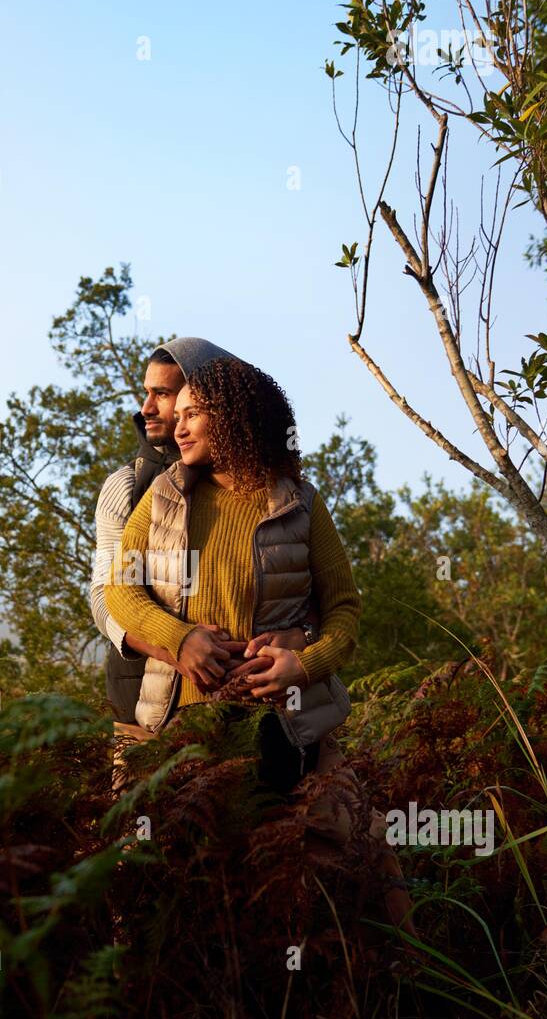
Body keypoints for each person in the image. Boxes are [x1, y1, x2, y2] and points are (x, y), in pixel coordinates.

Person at [104, 354, 362, 792]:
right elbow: (120, 591)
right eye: (177, 415)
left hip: (283, 722)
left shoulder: (301, 503)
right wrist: (180, 638)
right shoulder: (162, 496)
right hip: (179, 719)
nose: (179, 428)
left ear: (233, 418)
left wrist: (302, 664)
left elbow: (344, 607)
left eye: (192, 415)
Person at [91, 338, 308, 728]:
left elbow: (314, 594)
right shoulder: (129, 486)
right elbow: (106, 599)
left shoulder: (280, 491)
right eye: (147, 393)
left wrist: (302, 640)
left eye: (163, 394)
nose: (146, 409)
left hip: (267, 712)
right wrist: (182, 648)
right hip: (141, 712)